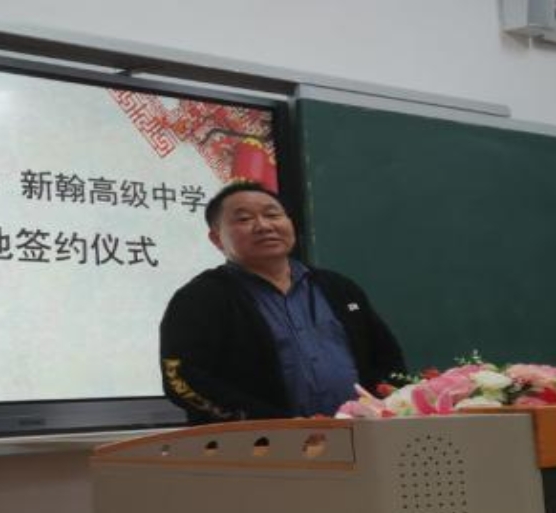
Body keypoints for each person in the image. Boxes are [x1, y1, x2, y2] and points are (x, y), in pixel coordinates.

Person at [160, 181, 406, 422]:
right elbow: (182, 380)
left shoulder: (338, 288)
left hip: (361, 435)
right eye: (244, 219)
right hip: (261, 442)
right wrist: (270, 422)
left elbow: (388, 360)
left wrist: (384, 409)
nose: (264, 226)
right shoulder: (199, 298)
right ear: (216, 238)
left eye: (273, 215)